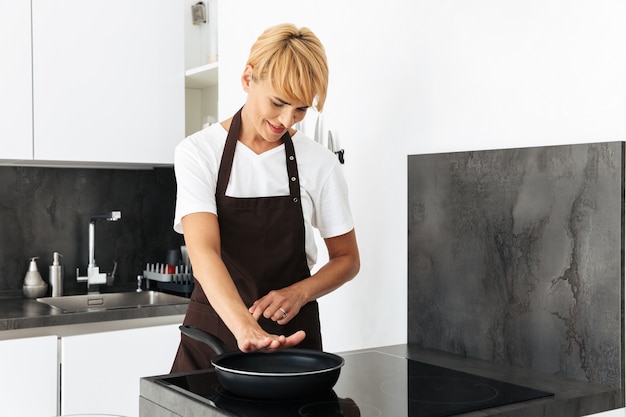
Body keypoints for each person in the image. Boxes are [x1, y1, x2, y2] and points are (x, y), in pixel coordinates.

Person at [171, 23, 360, 372]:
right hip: (213, 335)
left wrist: (300, 292)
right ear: (247, 78)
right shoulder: (199, 152)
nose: (286, 121)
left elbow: (347, 258)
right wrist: (245, 327)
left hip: (291, 342)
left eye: (301, 109)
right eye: (278, 102)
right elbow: (203, 252)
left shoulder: (319, 162)